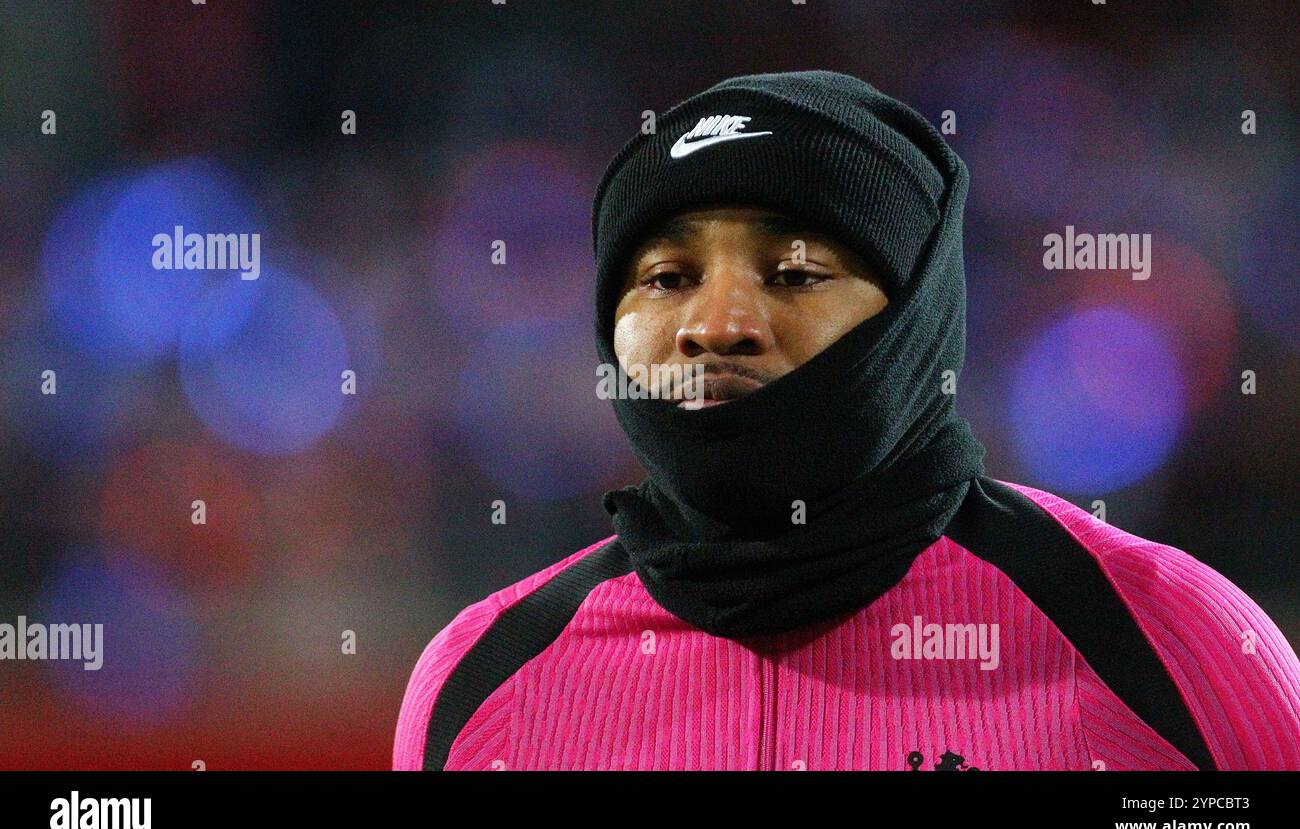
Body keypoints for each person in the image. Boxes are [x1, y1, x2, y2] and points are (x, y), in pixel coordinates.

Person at [394, 70, 1300, 770]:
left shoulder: (1163, 637)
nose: (717, 325)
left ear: (915, 316)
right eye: (668, 278)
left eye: (794, 273)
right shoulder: (483, 684)